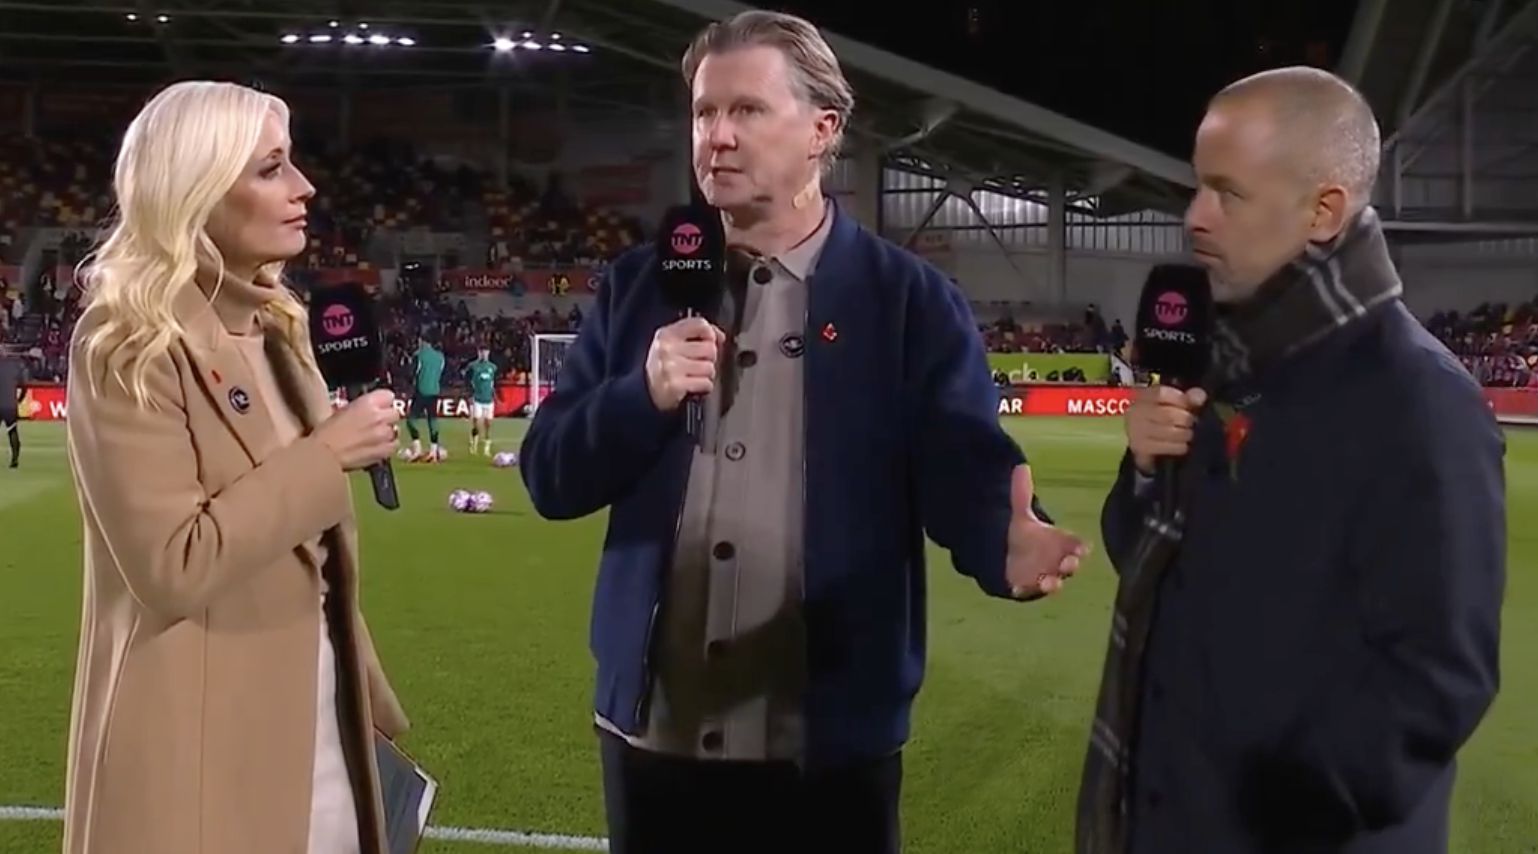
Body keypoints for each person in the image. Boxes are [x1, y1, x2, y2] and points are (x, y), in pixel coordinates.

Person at [519, 11, 1087, 854]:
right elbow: (551, 477)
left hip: (829, 757)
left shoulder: (906, 301)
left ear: (823, 130)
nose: (717, 137)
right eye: (705, 113)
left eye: (746, 110)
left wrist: (1004, 539)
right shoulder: (639, 287)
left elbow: (962, 471)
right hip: (653, 743)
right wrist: (642, 394)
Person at [1076, 67, 1505, 854]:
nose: (1194, 217)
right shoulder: (1219, 362)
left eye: (1228, 193)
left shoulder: (1418, 400)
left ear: (1324, 211)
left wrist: (1279, 799)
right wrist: (1142, 471)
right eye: (1198, 187)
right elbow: (1145, 562)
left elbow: (1438, 677)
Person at [63, 80, 410, 854]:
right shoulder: (126, 343)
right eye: (271, 168)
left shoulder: (282, 329)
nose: (304, 187)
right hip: (200, 748)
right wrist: (327, 455)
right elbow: (172, 566)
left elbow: (314, 560)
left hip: (320, 730)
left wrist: (362, 686)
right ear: (199, 190)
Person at [403, 332, 444, 461]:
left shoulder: (419, 355)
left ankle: (417, 449)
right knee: (432, 420)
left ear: (422, 341)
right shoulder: (440, 357)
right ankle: (433, 452)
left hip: (421, 391)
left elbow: (412, 373)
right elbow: (441, 373)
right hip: (435, 391)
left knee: (411, 420)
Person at [465, 345, 498, 456]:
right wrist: (469, 394)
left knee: (488, 423)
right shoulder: (473, 366)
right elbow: (467, 381)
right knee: (476, 420)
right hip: (477, 398)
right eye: (481, 352)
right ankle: (474, 444)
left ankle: (486, 448)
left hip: (488, 399)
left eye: (485, 352)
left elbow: (493, 383)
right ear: (478, 353)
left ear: (488, 353)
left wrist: (495, 396)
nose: (484, 354)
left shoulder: (493, 367)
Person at [0, 342, 27, 468]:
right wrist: (19, 399)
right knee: (12, 432)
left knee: (12, 432)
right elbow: (24, 385)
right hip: (10, 405)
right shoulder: (14, 366)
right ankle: (14, 460)